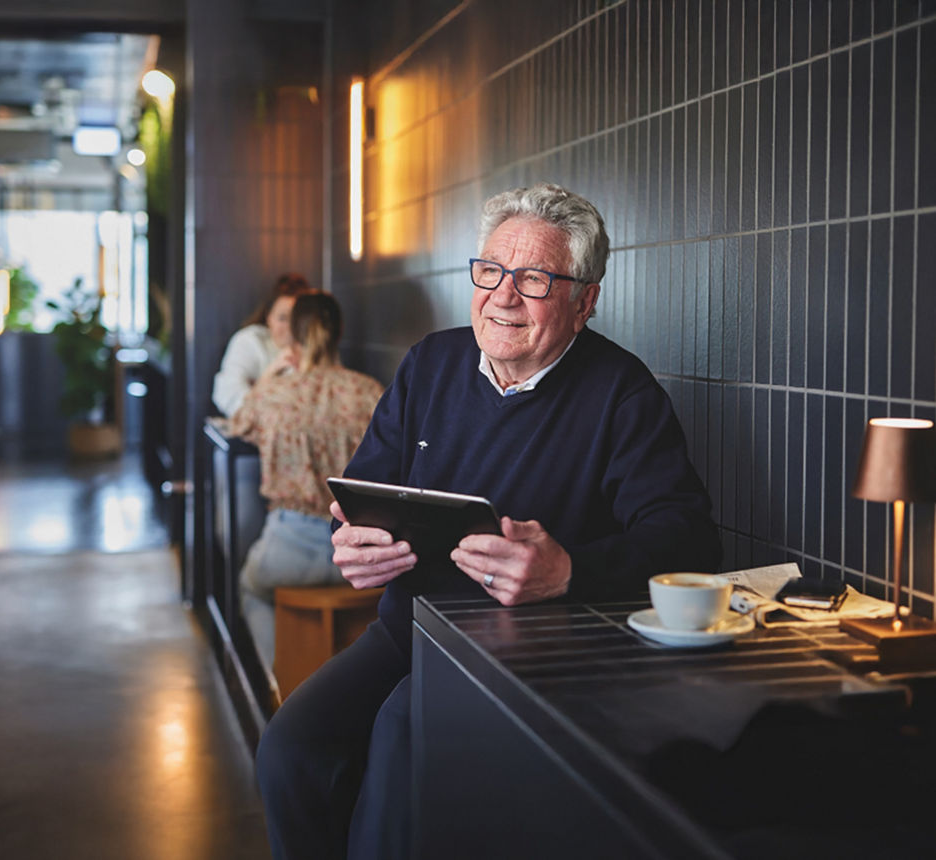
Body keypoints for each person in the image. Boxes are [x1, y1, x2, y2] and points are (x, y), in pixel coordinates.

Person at [254, 183, 723, 860]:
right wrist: (349, 545)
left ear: (584, 299)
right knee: (290, 752)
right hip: (409, 627)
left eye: (534, 279)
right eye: (491, 271)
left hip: (530, 647)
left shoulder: (622, 392)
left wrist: (569, 570)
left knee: (398, 740)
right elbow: (362, 498)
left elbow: (686, 537)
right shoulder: (431, 364)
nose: (504, 296)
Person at [228, 291, 384, 672]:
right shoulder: (369, 391)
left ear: (291, 337)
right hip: (357, 554)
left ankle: (279, 687)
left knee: (250, 588)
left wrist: (270, 375)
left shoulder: (275, 394)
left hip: (288, 550)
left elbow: (238, 423)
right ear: (339, 331)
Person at [212, 272, 315, 417]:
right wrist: (269, 375)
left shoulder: (315, 347)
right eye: (283, 318)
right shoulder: (250, 341)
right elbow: (228, 397)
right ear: (269, 318)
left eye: (297, 319)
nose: (291, 327)